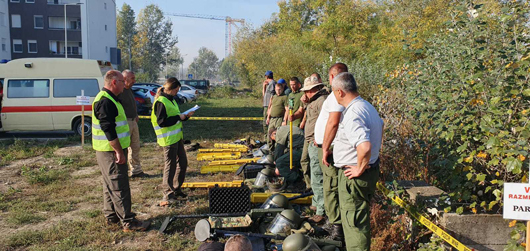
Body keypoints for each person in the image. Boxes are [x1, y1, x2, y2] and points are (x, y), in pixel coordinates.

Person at [92, 70, 149, 232]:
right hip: (110, 151)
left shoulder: (110, 99)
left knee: (109, 184)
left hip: (107, 150)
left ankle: (111, 216)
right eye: (122, 82)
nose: (125, 85)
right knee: (119, 185)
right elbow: (108, 129)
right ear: (114, 82)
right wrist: (118, 151)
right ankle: (128, 221)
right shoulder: (105, 101)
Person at [332, 72, 383, 251]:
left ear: (340, 92)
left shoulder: (353, 113)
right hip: (369, 170)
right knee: (359, 220)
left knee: (354, 224)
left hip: (354, 178)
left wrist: (359, 169)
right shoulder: (367, 106)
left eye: (333, 92)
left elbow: (364, 147)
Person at [314, 63, 349, 240]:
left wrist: (326, 146)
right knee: (329, 186)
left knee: (332, 187)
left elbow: (333, 122)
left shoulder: (338, 95)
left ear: (333, 77)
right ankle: (332, 221)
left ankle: (337, 229)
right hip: (326, 146)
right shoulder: (337, 95)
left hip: (331, 148)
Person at [291, 76, 329, 223]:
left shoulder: (322, 101)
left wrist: (319, 139)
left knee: (318, 175)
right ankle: (316, 202)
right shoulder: (314, 101)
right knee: (313, 173)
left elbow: (326, 122)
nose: (304, 93)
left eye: (306, 91)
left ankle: (321, 210)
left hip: (316, 143)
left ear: (312, 90)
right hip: (312, 141)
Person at [151, 77, 194, 204]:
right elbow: (162, 122)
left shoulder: (171, 100)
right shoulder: (161, 102)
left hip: (176, 137)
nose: (177, 92)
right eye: (177, 90)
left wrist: (185, 117)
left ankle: (176, 189)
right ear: (171, 88)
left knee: (183, 163)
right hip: (168, 139)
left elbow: (176, 118)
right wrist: (178, 117)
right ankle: (168, 193)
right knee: (170, 166)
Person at [117, 70, 146, 178]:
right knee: (124, 148)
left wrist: (136, 115)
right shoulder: (120, 92)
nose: (135, 80)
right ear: (125, 79)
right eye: (132, 78)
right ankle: (123, 171)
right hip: (125, 123)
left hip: (133, 121)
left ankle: (136, 170)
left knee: (135, 147)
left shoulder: (129, 90)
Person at [266, 79, 288, 143]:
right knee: (269, 135)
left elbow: (287, 109)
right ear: (275, 89)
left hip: (279, 119)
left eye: (279, 89)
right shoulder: (273, 97)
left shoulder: (284, 97)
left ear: (282, 89)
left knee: (277, 135)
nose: (278, 91)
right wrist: (268, 117)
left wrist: (284, 120)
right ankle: (270, 149)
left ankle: (277, 150)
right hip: (272, 119)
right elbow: (271, 107)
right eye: (277, 89)